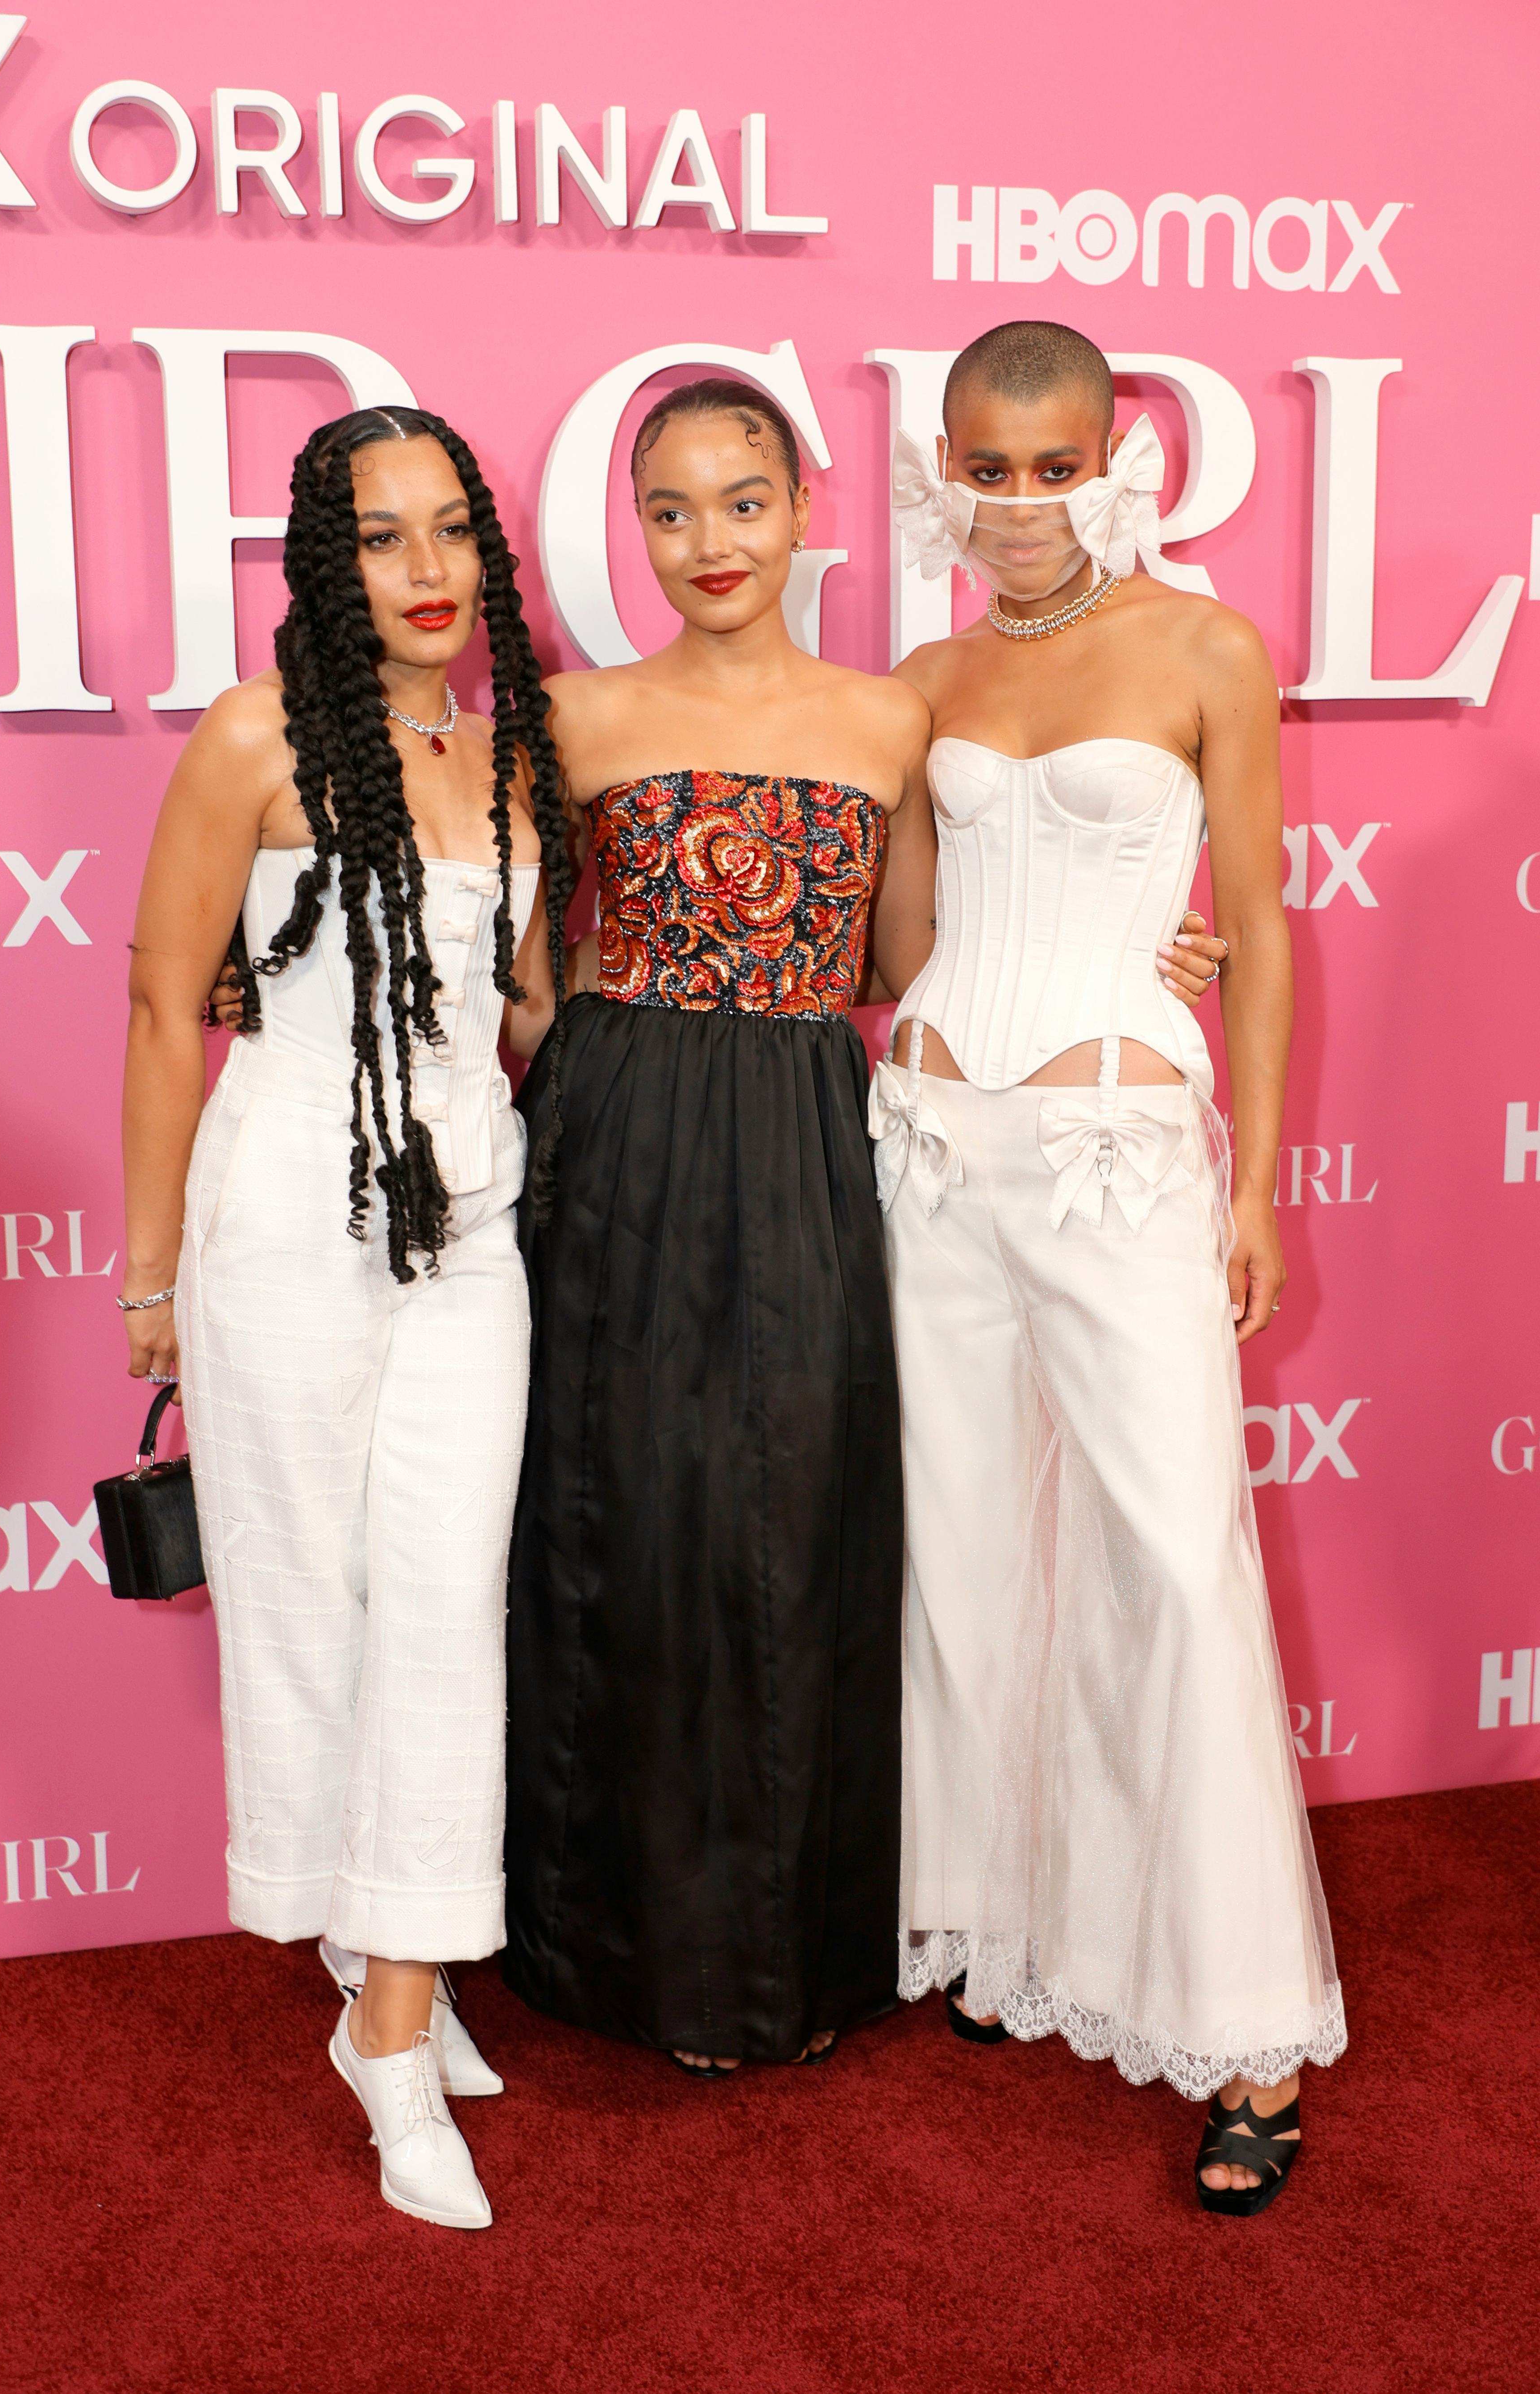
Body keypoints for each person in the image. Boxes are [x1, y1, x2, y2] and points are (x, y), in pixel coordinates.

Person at [874, 321, 1344, 2215]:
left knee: (1171, 1553)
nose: (1017, 505)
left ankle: (1246, 2038)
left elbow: (1263, 927)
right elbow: (906, 939)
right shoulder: (923, 671)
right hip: (929, 1143)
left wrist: (1258, 1186)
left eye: (1051, 464)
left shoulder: (1209, 648)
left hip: (1121, 1153)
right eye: (983, 468)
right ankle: (1006, 1928)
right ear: (941, 467)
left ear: (1120, 452)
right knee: (971, 1549)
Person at [120, 405, 570, 2230]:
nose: (431, 572)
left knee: (452, 1600)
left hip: (473, 1216)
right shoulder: (255, 740)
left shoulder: (507, 751)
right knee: (313, 1599)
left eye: (454, 532)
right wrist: (148, 1272)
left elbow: (521, 1011)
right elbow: (165, 1013)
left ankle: (393, 2017)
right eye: (386, 539)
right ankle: (376, 1948)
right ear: (325, 558)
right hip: (290, 1205)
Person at [494, 379, 941, 2073]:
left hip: (812, 1139)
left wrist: (1140, 965)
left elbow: (907, 970)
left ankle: (795, 1961)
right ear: (637, 523)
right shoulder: (576, 715)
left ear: (805, 502)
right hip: (618, 1146)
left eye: (742, 502)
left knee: (804, 1519)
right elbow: (526, 973)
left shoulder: (884, 720)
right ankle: (638, 1959)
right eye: (670, 510)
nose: (708, 543)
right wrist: (625, 1073)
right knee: (637, 1525)